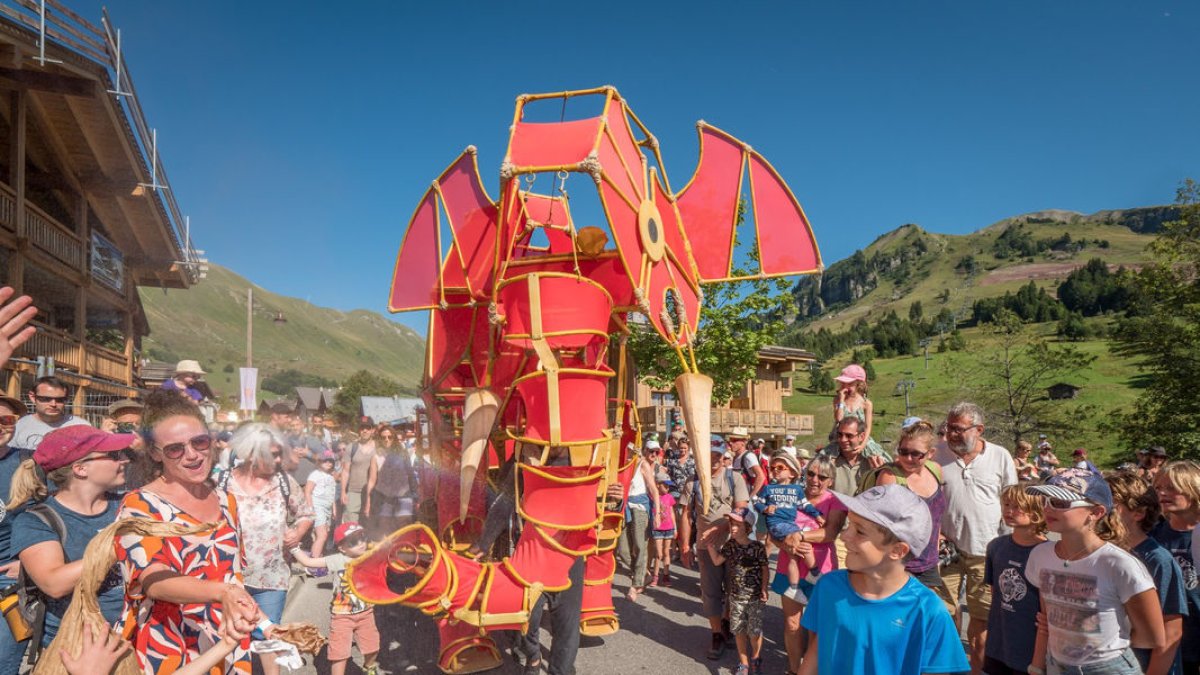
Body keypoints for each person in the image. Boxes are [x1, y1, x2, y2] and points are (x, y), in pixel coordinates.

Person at [116, 389, 261, 675]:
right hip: (170, 643)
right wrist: (222, 592)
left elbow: (232, 573)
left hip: (228, 639)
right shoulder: (139, 506)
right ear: (156, 454)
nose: (192, 455)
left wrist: (263, 624)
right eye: (175, 449)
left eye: (199, 441)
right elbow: (153, 582)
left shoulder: (224, 499)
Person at [798, 484, 969, 675]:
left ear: (898, 550)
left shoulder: (928, 611)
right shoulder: (828, 587)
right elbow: (818, 649)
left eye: (860, 531)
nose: (845, 536)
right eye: (849, 525)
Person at [1026, 469, 1166, 675]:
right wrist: (1037, 667)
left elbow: (1152, 636)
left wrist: (1103, 644)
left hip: (1108, 668)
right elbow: (1047, 621)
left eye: (1060, 503)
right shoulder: (1040, 555)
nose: (1048, 508)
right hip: (1057, 663)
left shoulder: (1119, 564)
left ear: (1096, 512)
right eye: (1046, 501)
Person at [7, 426, 132, 656]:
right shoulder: (36, 520)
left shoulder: (129, 505)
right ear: (80, 468)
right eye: (114, 455)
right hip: (74, 648)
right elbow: (54, 583)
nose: (124, 459)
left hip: (132, 637)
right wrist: (120, 544)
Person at [216, 423, 312, 674]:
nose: (279, 459)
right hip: (229, 576)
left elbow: (305, 513)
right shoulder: (221, 482)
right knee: (229, 634)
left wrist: (298, 532)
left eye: (279, 453)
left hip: (272, 575)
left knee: (270, 637)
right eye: (273, 453)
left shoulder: (283, 481)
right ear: (252, 453)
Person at [933, 401, 1016, 672]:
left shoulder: (1000, 456)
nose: (952, 435)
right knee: (944, 615)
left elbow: (1012, 501)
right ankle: (951, 666)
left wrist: (1010, 544)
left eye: (958, 429)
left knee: (981, 625)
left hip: (987, 550)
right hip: (948, 550)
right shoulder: (937, 455)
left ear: (979, 429)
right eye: (949, 428)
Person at [1107, 470, 1186, 674]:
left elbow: (1172, 629)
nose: (1099, 510)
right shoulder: (1103, 554)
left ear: (1138, 513)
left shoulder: (1158, 560)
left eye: (1110, 504)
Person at [772, 455, 844, 675]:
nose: (815, 480)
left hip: (820, 571)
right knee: (792, 624)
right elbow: (773, 533)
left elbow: (830, 532)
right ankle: (794, 670)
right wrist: (784, 543)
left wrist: (798, 535)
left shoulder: (835, 501)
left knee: (816, 627)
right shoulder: (790, 495)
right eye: (811, 474)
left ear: (830, 480)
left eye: (822, 476)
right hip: (788, 567)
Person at [289, 522, 379, 675]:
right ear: (342, 548)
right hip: (342, 615)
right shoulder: (337, 559)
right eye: (353, 541)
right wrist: (294, 548)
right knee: (339, 653)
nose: (360, 543)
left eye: (362, 538)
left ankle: (369, 667)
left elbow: (393, 557)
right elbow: (308, 562)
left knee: (372, 646)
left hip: (366, 613)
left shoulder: (369, 556)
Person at [871, 419, 948, 597]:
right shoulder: (890, 477)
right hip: (899, 565)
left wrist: (935, 553)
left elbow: (935, 517)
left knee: (927, 619)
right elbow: (880, 527)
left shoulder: (936, 471)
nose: (908, 458)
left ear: (930, 453)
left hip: (929, 564)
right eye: (903, 452)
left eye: (916, 454)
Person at [982, 484, 1047, 675]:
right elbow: (997, 596)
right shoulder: (996, 546)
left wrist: (1038, 661)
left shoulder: (1049, 553)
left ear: (1036, 511)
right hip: (998, 645)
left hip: (1031, 648)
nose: (1009, 510)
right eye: (1006, 504)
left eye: (1017, 506)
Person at [696, 442, 750, 660]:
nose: (715, 459)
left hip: (731, 543)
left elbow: (742, 507)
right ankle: (716, 634)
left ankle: (726, 622)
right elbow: (684, 513)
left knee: (732, 588)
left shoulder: (734, 478)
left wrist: (720, 527)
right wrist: (683, 544)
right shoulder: (694, 481)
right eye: (710, 455)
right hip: (705, 546)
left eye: (718, 455)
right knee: (710, 592)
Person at [705, 507, 768, 675]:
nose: (732, 528)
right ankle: (744, 663)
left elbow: (764, 569)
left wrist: (763, 588)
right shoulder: (730, 545)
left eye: (737, 525)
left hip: (754, 596)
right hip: (735, 597)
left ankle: (756, 658)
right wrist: (710, 547)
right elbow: (718, 561)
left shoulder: (757, 547)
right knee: (739, 630)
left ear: (748, 527)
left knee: (754, 632)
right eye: (731, 524)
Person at [1151, 461, 1200, 674]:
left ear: (1193, 488)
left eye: (1171, 487)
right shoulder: (1152, 537)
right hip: (1169, 643)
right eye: (1158, 488)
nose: (1163, 493)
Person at [753, 452, 822, 601]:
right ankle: (815, 573)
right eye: (773, 467)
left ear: (792, 473)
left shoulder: (797, 490)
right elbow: (757, 502)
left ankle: (793, 588)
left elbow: (805, 505)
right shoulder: (768, 489)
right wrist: (764, 509)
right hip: (776, 524)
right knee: (805, 545)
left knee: (793, 556)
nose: (775, 470)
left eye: (780, 467)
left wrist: (817, 515)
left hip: (790, 524)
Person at [0, 394, 27, 672]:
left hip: (7, 581)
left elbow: (47, 516)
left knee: (4, 662)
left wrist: (27, 560)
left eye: (6, 420)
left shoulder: (27, 465)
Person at [617, 440, 661, 602]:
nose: (627, 452)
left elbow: (654, 490)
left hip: (640, 507)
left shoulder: (642, 464)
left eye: (630, 449)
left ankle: (635, 585)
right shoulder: (620, 464)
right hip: (625, 506)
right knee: (622, 550)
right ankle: (644, 574)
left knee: (640, 545)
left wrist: (656, 514)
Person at [11, 376, 90, 452]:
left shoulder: (82, 427)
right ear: (32, 397)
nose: (53, 404)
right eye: (46, 399)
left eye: (60, 400)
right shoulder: (18, 426)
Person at [367, 425, 419, 539]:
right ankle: (388, 552)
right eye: (383, 437)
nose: (386, 440)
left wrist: (416, 496)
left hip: (403, 493)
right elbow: (372, 480)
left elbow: (410, 475)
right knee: (385, 524)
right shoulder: (376, 456)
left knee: (404, 523)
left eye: (390, 437)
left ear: (394, 438)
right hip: (384, 495)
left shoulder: (403, 453)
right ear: (379, 439)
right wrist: (368, 502)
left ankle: (406, 549)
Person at [831, 364, 887, 461]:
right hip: (841, 439)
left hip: (861, 440)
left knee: (880, 461)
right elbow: (838, 419)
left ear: (858, 383)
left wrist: (863, 445)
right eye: (842, 383)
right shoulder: (838, 400)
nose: (844, 386)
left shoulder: (866, 403)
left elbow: (868, 427)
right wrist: (841, 401)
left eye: (848, 383)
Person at [663, 436, 696, 568]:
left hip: (689, 494)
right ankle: (676, 550)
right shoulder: (672, 462)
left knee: (688, 523)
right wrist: (670, 487)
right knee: (675, 523)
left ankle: (687, 548)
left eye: (685, 448)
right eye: (681, 448)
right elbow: (668, 477)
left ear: (688, 449)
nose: (682, 450)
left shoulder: (692, 462)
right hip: (675, 493)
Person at [340, 418, 377, 523]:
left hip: (374, 493)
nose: (365, 431)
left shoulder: (379, 448)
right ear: (358, 430)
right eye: (362, 428)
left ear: (372, 430)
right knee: (351, 524)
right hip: (354, 491)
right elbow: (345, 471)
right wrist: (343, 491)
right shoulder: (351, 447)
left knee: (371, 525)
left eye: (368, 428)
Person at [306, 450, 339, 558]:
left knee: (324, 533)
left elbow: (331, 494)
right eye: (326, 461)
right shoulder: (315, 474)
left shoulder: (331, 477)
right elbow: (308, 491)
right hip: (317, 506)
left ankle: (318, 555)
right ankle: (313, 562)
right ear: (320, 462)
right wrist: (311, 508)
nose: (329, 463)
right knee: (322, 535)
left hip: (327, 508)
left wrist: (334, 509)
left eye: (331, 461)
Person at [649, 471, 676, 588]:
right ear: (658, 484)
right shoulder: (652, 496)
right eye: (665, 485)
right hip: (658, 528)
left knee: (666, 552)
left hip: (669, 528)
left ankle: (666, 575)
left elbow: (671, 512)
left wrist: (675, 528)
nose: (668, 488)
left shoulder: (669, 497)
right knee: (658, 554)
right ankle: (655, 576)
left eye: (669, 485)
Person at [729, 427, 766, 499]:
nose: (730, 443)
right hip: (738, 497)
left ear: (744, 442)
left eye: (734, 440)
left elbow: (761, 477)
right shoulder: (736, 456)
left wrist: (750, 497)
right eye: (730, 440)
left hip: (746, 499)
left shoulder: (748, 456)